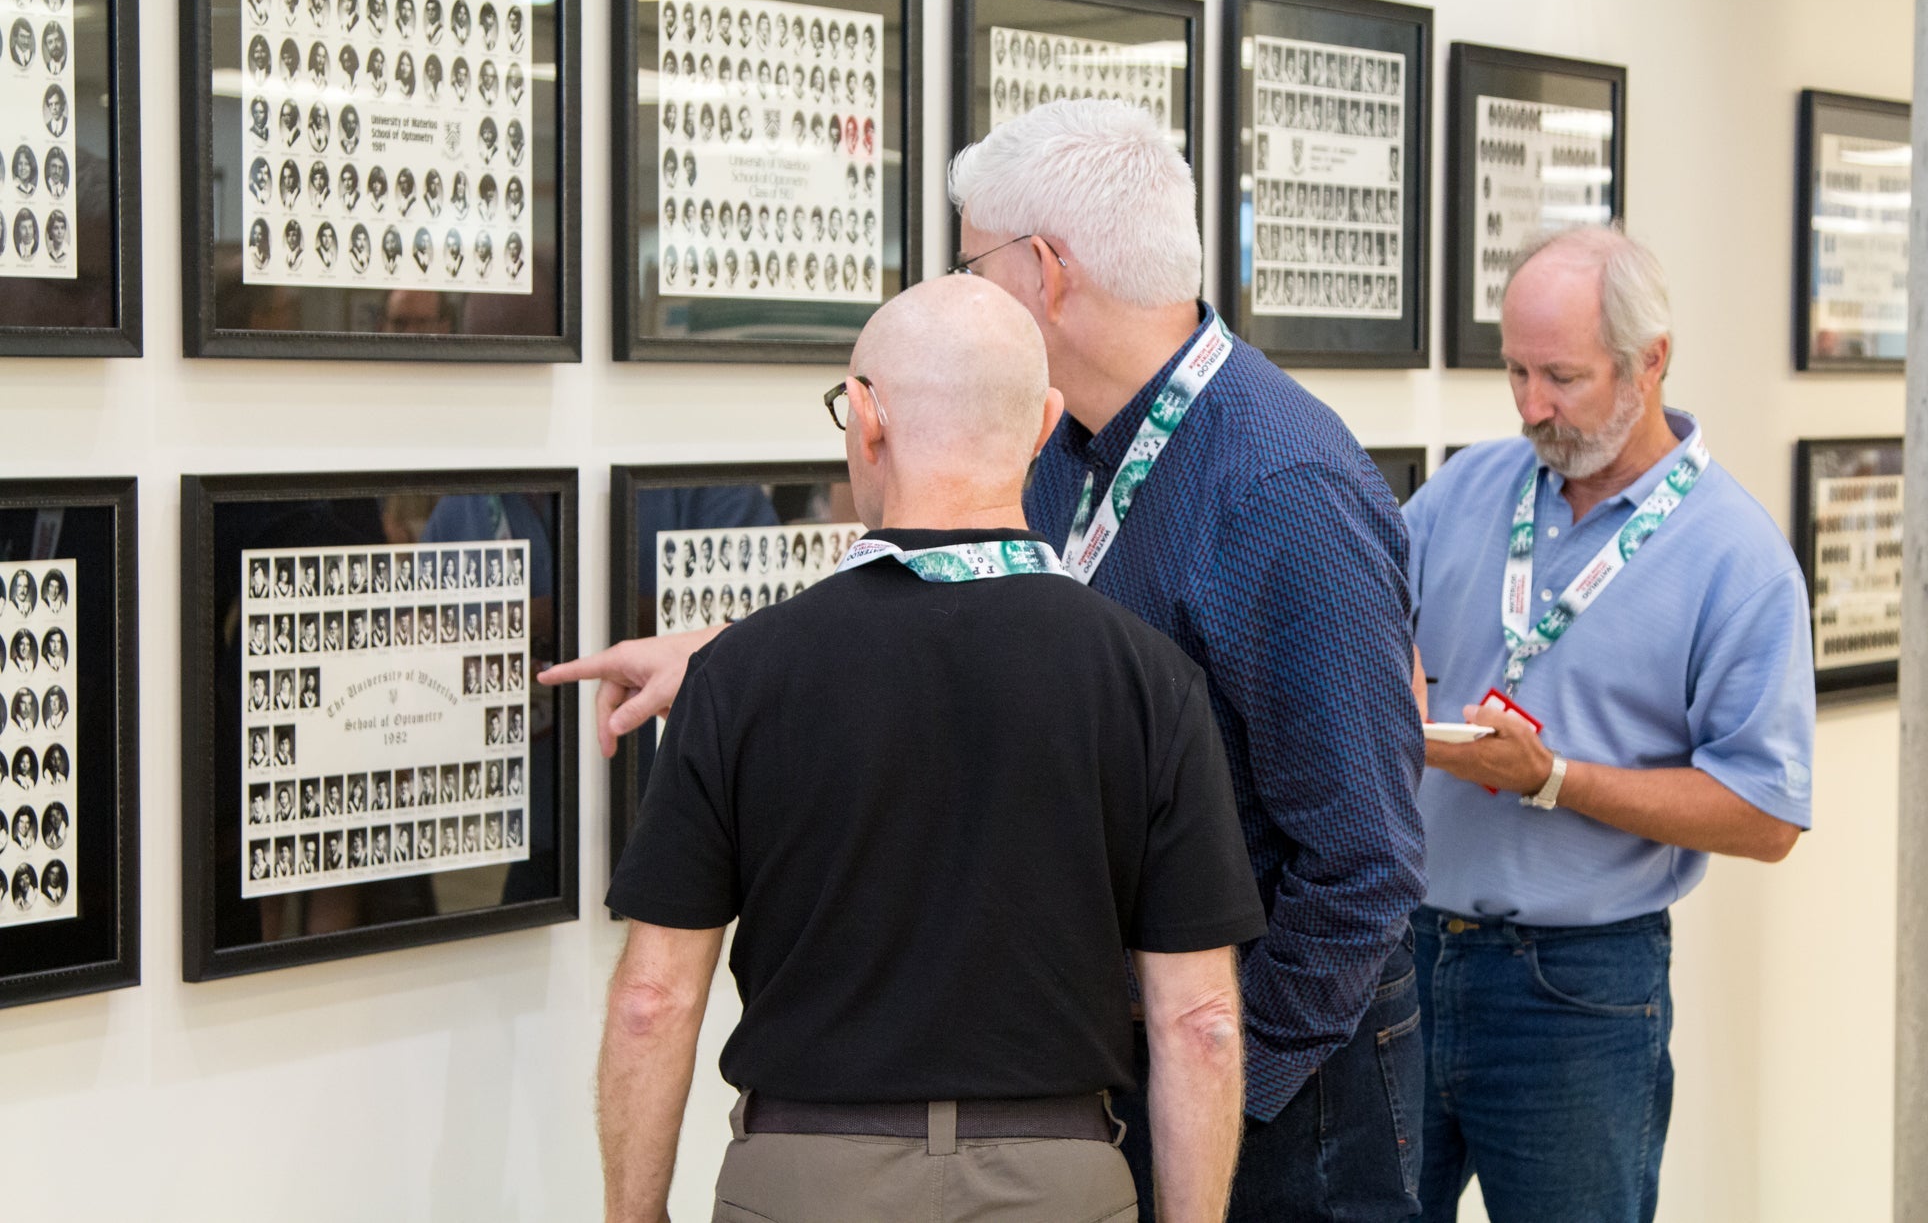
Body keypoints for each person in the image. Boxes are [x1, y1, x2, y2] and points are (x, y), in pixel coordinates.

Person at [548, 99, 1427, 1222]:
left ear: (1046, 272)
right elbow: (989, 625)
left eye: (969, 261)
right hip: (1120, 1088)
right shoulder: (1063, 447)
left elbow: (1363, 862)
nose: (954, 291)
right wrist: (734, 656)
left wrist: (1209, 1078)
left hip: (1280, 1093)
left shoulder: (1279, 490)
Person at [597, 275, 1265, 1223]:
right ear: (1043, 426)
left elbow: (652, 1001)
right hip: (1058, 1181)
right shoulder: (1149, 680)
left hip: (804, 1183)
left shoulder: (739, 673)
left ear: (866, 420)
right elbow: (1199, 1022)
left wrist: (633, 1213)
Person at [1402, 226, 1813, 1223]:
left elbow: (1764, 816)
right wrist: (1388, 677)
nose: (1529, 405)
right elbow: (1363, 612)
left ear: (1649, 362)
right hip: (1405, 957)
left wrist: (1554, 778)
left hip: (1575, 994)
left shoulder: (1735, 558)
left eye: (1561, 377)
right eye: (1512, 371)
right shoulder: (1465, 490)